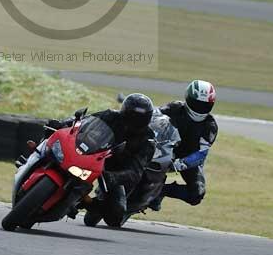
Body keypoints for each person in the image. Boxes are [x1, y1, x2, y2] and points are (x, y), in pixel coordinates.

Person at [73, 93, 156, 227]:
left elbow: (135, 172)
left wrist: (112, 177)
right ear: (124, 111)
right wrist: (64, 123)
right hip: (91, 153)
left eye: (140, 118)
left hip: (114, 170)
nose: (134, 121)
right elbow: (84, 122)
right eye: (132, 115)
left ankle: (89, 202)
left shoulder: (148, 140)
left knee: (115, 216)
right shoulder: (110, 115)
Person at [150, 80, 218, 211]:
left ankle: (162, 190)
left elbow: (201, 154)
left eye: (204, 105)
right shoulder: (175, 107)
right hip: (164, 148)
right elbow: (154, 116)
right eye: (196, 103)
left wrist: (180, 164)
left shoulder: (210, 126)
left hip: (188, 159)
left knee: (197, 194)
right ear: (188, 99)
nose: (199, 108)